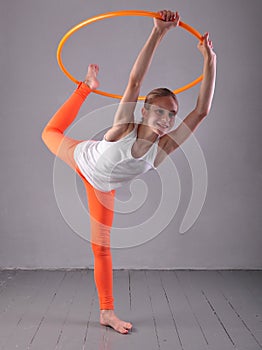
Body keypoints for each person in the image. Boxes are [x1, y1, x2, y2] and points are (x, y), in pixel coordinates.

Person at [42, 10, 216, 334]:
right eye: (159, 111)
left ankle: (106, 312)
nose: (166, 119)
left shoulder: (162, 150)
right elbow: (135, 81)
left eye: (172, 115)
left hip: (102, 188)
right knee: (49, 132)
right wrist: (158, 33)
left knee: (101, 248)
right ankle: (87, 87)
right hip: (82, 158)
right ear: (145, 110)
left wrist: (210, 59)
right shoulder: (124, 126)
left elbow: (202, 110)